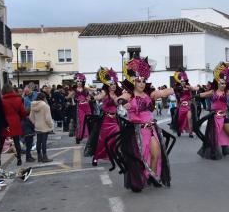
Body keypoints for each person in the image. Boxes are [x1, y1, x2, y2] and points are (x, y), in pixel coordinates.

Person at [113, 57, 176, 192]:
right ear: (133, 81)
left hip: (151, 128)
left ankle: (151, 176)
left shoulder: (148, 93)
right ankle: (140, 178)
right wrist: (123, 103)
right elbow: (119, 99)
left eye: (143, 81)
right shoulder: (128, 94)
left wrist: (174, 89)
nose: (141, 84)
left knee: (156, 154)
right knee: (139, 158)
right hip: (137, 132)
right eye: (138, 81)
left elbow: (161, 92)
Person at [197, 62, 229, 159]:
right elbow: (202, 95)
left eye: (224, 83)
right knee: (213, 136)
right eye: (221, 83)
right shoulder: (212, 92)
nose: (223, 85)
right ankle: (214, 152)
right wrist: (194, 96)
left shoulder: (227, 92)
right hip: (214, 116)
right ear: (217, 82)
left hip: (224, 116)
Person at [84, 68, 121, 166]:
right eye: (111, 84)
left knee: (115, 138)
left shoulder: (117, 95)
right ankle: (96, 157)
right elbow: (98, 97)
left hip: (114, 120)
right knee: (102, 140)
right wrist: (92, 98)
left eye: (114, 84)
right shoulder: (105, 93)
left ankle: (111, 155)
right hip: (105, 120)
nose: (113, 86)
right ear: (108, 85)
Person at [0, 83, 27, 166]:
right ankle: (19, 159)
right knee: (16, 141)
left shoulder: (1, 100)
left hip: (5, 122)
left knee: (1, 141)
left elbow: (0, 112)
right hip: (15, 121)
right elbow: (23, 112)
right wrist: (20, 118)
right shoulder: (18, 99)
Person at [171, 69, 199, 138]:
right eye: (182, 81)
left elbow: (197, 88)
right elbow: (177, 98)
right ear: (180, 82)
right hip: (181, 107)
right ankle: (179, 130)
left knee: (189, 118)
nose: (183, 82)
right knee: (180, 119)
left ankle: (190, 132)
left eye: (184, 81)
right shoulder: (178, 89)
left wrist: (190, 88)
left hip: (188, 106)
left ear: (185, 82)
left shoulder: (189, 87)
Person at [29, 92, 54, 163]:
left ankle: (39, 157)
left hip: (37, 125)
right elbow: (48, 118)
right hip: (45, 126)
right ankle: (45, 157)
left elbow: (31, 117)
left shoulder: (33, 105)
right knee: (44, 142)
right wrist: (51, 125)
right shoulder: (45, 106)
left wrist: (35, 123)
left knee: (38, 142)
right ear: (44, 98)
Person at [73, 73, 92, 144]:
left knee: (89, 121)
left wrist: (89, 98)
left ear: (83, 82)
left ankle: (89, 136)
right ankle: (78, 136)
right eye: (77, 81)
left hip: (87, 106)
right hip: (80, 107)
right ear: (76, 82)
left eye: (80, 81)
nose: (79, 83)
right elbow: (69, 97)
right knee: (81, 121)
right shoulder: (74, 90)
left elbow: (92, 92)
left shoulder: (85, 88)